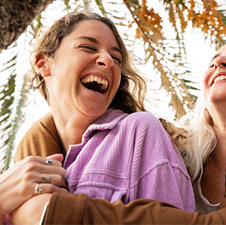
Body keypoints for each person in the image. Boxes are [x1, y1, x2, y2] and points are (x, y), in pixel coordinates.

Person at [10, 32, 226, 224]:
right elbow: (69, 125)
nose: (220, 64)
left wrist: (52, 212)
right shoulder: (164, 142)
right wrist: (26, 195)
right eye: (214, 61)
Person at [9, 11, 194, 212]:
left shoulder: (140, 132)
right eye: (88, 47)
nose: (107, 60)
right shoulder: (25, 168)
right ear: (42, 64)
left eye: (116, 58)